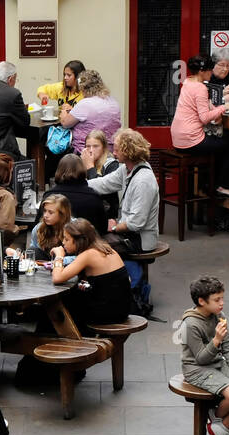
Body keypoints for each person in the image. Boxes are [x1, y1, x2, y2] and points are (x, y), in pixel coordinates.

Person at [85, 128, 159, 310]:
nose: (114, 152)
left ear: (128, 151)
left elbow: (136, 223)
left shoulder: (143, 180)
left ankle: (111, 293)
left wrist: (114, 227)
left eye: (117, 149)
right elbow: (104, 183)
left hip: (140, 239)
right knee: (93, 241)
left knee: (95, 246)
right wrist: (79, 185)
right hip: (129, 233)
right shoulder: (126, 169)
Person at [176, 276, 229, 435]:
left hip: (216, 363)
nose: (222, 303)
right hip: (197, 369)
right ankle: (216, 418)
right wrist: (216, 340)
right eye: (217, 300)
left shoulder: (218, 315)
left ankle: (221, 426)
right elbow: (201, 358)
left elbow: (228, 346)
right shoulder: (190, 324)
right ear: (201, 301)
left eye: (222, 298)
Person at [171, 55, 229, 198]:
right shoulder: (200, 87)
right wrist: (223, 108)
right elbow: (205, 117)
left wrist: (217, 108)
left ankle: (205, 186)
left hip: (178, 138)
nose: (212, 72)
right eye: (209, 70)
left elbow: (204, 105)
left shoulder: (188, 82)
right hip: (191, 140)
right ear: (202, 71)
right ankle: (222, 186)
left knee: (216, 144)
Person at [49, 218, 132, 330]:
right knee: (72, 296)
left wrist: (59, 256)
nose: (63, 242)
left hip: (109, 314)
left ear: (79, 240)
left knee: (57, 306)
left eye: (66, 239)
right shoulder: (105, 248)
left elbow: (57, 278)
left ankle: (61, 340)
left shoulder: (89, 254)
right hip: (122, 308)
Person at [59, 70, 121, 156]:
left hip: (85, 151)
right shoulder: (113, 102)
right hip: (109, 150)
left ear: (82, 88)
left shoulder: (85, 104)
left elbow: (65, 123)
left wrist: (64, 112)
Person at [36, 152, 105, 228]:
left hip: (55, 239)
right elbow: (102, 227)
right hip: (86, 238)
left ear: (59, 170)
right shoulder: (94, 196)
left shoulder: (50, 195)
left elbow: (39, 224)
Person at [82, 130, 122, 224]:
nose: (91, 150)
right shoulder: (82, 161)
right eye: (88, 146)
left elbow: (99, 189)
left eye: (95, 146)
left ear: (103, 148)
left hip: (106, 214)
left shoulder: (112, 164)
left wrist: (90, 167)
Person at [28, 194, 71, 259]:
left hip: (68, 265)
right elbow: (32, 252)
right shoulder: (39, 228)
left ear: (62, 214)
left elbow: (83, 257)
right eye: (45, 211)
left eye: (50, 212)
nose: (45, 215)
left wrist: (59, 260)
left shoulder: (74, 229)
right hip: (44, 265)